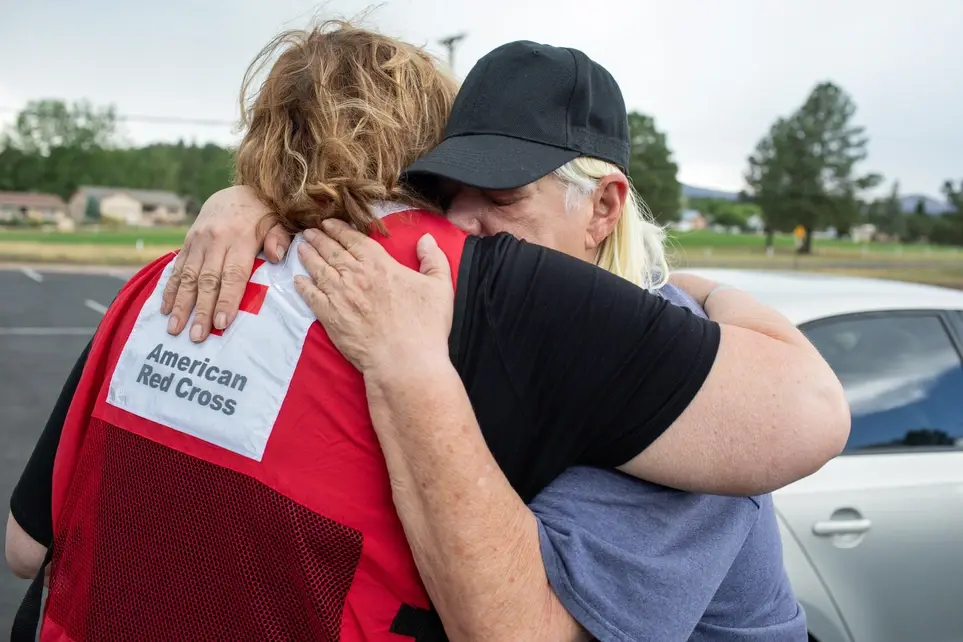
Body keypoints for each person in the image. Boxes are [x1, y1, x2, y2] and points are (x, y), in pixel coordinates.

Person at [5, 25, 846, 642]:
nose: (465, 225)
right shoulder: (443, 298)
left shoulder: (658, 367)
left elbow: (806, 409)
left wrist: (701, 292)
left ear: (603, 206)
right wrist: (258, 202)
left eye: (504, 193)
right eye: (446, 192)